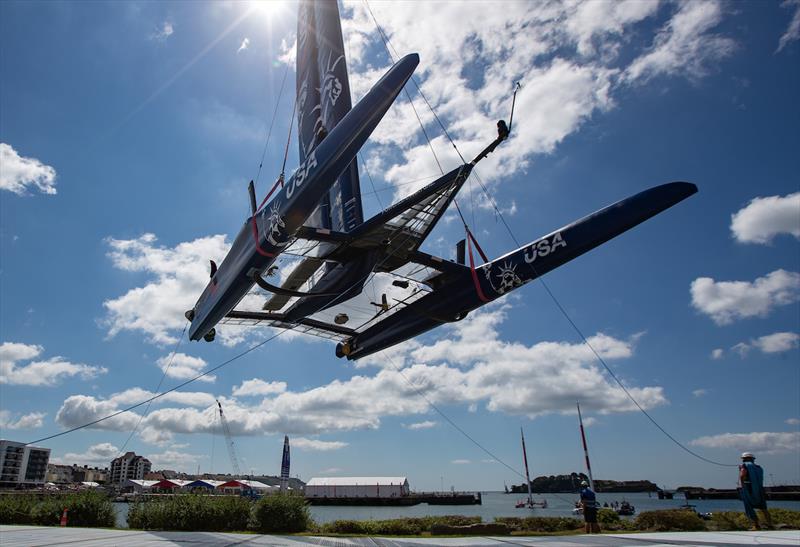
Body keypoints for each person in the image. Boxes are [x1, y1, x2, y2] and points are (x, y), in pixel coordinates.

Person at [739, 452, 773, 530]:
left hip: (749, 488)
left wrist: (742, 485)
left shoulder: (744, 466)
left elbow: (742, 475)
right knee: (763, 508)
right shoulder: (759, 467)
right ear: (753, 459)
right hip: (759, 490)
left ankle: (756, 525)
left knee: (749, 507)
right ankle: (770, 524)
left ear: (744, 459)